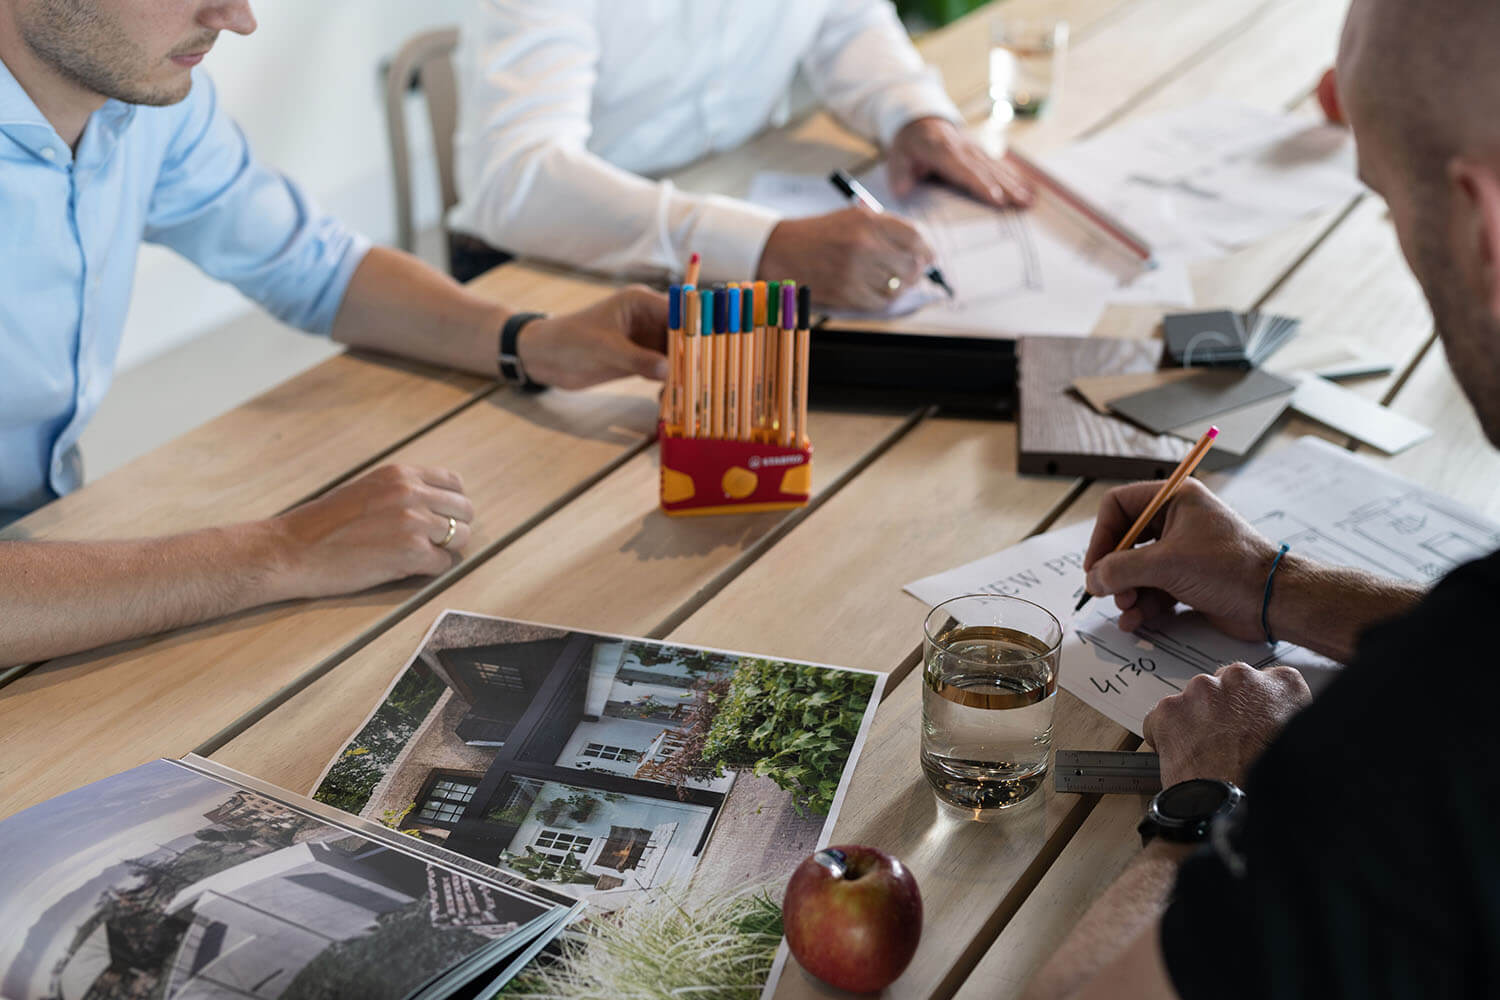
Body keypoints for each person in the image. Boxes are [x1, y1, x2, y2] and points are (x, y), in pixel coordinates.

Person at [1020, 0, 1500, 996]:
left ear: (1484, 224)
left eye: (1389, 205)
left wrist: (1207, 796)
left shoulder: (1434, 730)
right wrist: (1273, 582)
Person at [0, 0, 670, 668]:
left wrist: (525, 340)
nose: (237, 18)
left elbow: (310, 264)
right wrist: (284, 551)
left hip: (51, 551)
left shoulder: (136, 98)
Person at [447, 0, 1031, 312]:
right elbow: (514, 180)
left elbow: (845, 21)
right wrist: (765, 245)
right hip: (546, 267)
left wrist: (911, 113)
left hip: (733, 222)